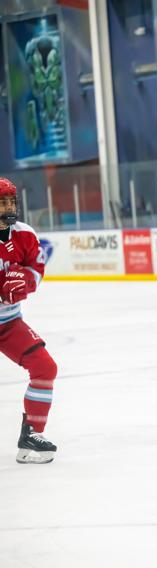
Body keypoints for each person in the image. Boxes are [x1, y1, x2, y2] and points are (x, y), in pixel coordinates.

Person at [0, 177, 58, 463]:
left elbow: (36, 268)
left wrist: (24, 281)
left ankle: (31, 436)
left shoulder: (24, 234)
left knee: (45, 367)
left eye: (11, 201)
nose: (8, 207)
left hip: (9, 324)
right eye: (2, 203)